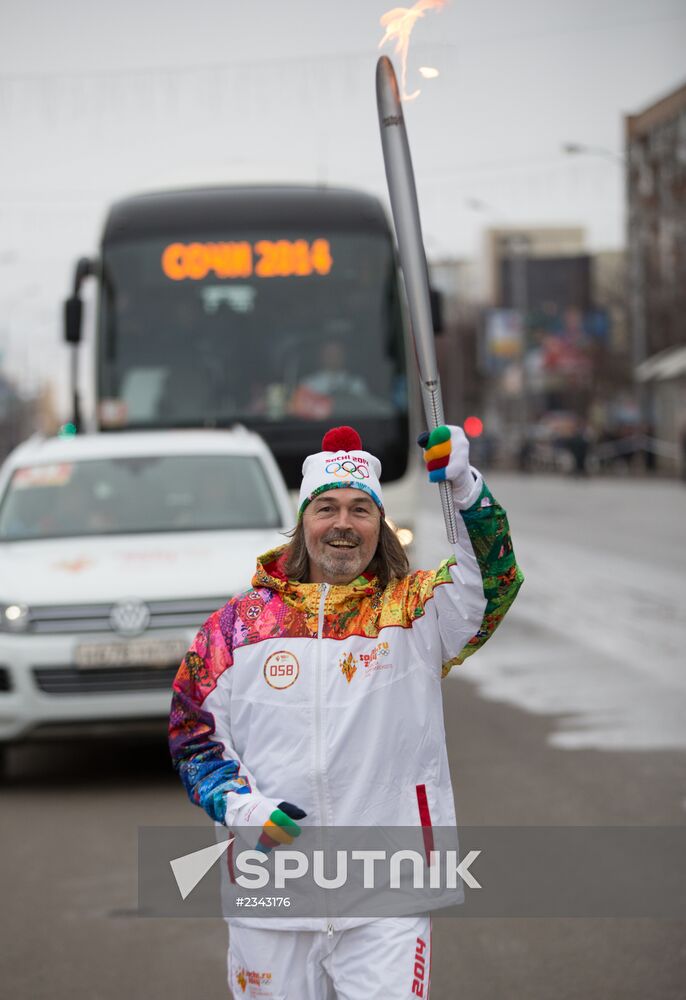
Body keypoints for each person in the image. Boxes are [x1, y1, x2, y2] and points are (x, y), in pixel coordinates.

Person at [169, 424, 523, 999]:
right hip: (270, 887)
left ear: (379, 524)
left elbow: (493, 582)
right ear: (303, 521)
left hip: (389, 891)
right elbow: (193, 735)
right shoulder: (236, 628)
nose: (343, 523)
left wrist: (465, 489)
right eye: (327, 507)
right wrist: (241, 806)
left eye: (361, 509)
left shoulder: (414, 612)